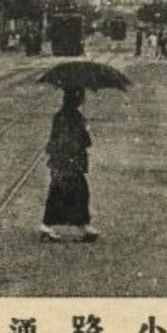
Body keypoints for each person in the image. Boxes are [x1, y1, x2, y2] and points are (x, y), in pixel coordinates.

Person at [42, 88, 96, 242]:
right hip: (69, 162)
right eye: (81, 97)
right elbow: (83, 141)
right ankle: (52, 226)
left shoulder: (60, 116)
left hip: (60, 161)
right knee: (71, 192)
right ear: (77, 100)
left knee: (67, 192)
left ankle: (80, 225)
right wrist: (85, 129)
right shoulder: (75, 118)